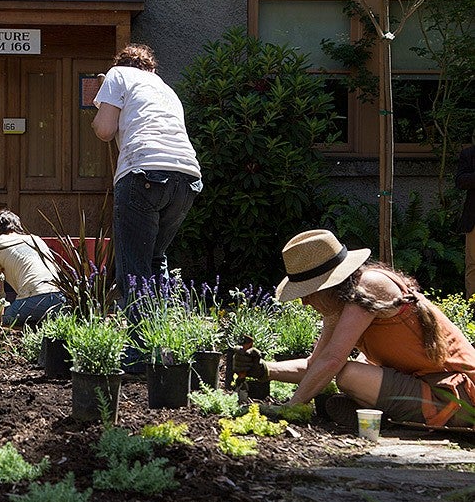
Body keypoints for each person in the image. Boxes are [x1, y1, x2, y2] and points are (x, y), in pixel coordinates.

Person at [234, 229, 475, 430]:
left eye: (307, 293)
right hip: (426, 385)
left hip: (457, 394)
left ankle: (373, 413)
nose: (304, 302)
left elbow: (332, 361)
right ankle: (371, 413)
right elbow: (315, 364)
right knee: (347, 375)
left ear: (329, 284)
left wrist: (289, 408)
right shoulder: (341, 303)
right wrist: (264, 369)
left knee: (348, 375)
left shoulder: (369, 286)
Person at [91, 43, 202, 304]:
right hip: (186, 177)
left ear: (122, 62)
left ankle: (140, 344)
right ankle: (159, 336)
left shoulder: (117, 74)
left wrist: (98, 117)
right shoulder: (165, 89)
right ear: (150, 67)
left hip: (143, 171)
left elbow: (105, 130)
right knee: (154, 258)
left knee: (133, 267)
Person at [0, 209, 66, 327]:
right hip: (59, 300)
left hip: (31, 301)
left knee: (4, 322)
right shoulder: (36, 239)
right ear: (17, 226)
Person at [455, 144, 475, 299]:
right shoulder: (469, 154)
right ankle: (472, 308)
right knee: (473, 265)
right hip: (474, 219)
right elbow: (460, 181)